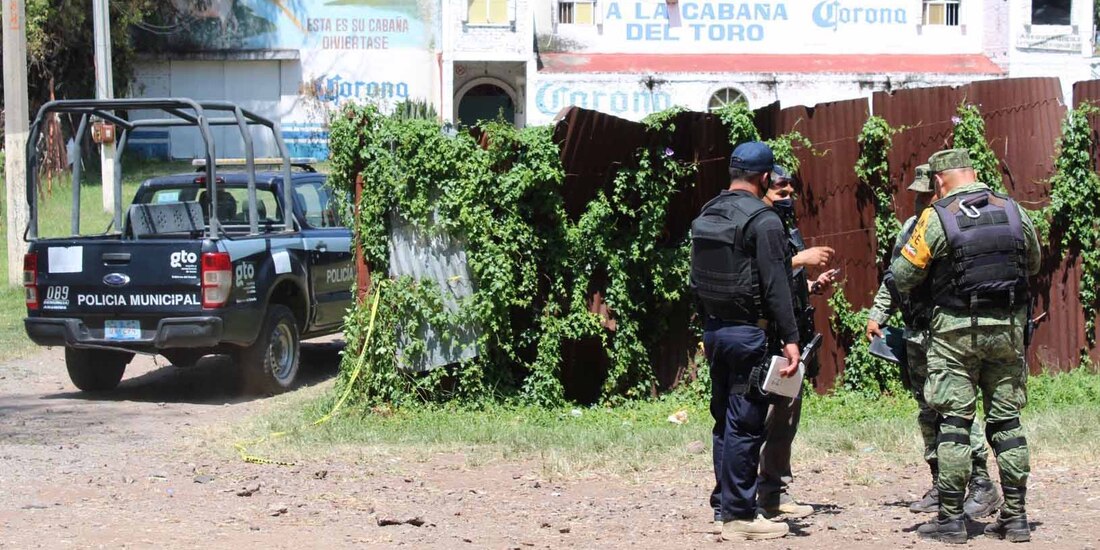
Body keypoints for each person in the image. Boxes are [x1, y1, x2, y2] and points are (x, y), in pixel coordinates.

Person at [889, 149, 1041, 544]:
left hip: (954, 336)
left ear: (938, 181)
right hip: (1008, 333)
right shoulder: (1014, 212)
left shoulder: (936, 218)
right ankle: (1017, 517)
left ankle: (952, 522)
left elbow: (902, 276)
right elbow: (1035, 262)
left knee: (954, 425)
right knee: (1007, 425)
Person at [866, 165, 1002, 519]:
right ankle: (943, 485)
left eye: (926, 194)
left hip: (949, 334)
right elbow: (895, 278)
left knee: (958, 411)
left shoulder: (959, 226)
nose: (919, 201)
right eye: (916, 194)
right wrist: (878, 314)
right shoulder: (912, 229)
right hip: (917, 335)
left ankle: (981, 485)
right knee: (929, 411)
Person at [691, 142, 801, 541]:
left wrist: (707, 328)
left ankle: (724, 504)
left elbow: (695, 281)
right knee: (746, 423)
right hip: (748, 335)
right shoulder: (764, 220)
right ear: (765, 177)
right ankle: (739, 517)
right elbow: (777, 286)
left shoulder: (708, 213)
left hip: (715, 331)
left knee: (724, 420)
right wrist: (791, 339)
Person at [757, 165, 838, 519]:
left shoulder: (786, 229)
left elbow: (782, 283)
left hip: (793, 335)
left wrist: (811, 285)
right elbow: (758, 276)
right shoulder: (757, 226)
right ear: (763, 190)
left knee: (786, 420)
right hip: (767, 338)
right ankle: (761, 494)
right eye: (780, 194)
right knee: (768, 418)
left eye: (791, 195)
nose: (788, 201)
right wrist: (799, 260)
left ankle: (776, 491)